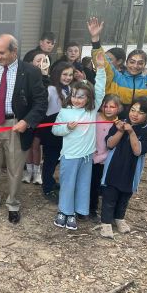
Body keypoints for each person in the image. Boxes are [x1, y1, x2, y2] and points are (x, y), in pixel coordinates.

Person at [0, 34, 48, 224]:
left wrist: (27, 121)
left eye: (2, 53)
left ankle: (13, 204)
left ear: (14, 51)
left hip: (17, 124)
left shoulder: (31, 71)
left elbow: (41, 102)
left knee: (15, 167)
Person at [51, 52, 106, 231]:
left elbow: (100, 89)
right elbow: (55, 129)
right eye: (75, 95)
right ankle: (63, 211)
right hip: (69, 156)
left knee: (82, 184)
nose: (77, 99)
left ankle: (74, 212)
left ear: (89, 99)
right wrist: (68, 128)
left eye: (82, 97)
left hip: (86, 157)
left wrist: (101, 68)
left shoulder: (91, 111)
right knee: (67, 184)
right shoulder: (65, 111)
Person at [99, 97, 147, 238]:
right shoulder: (119, 124)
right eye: (132, 110)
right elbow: (110, 144)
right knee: (109, 196)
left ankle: (119, 218)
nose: (134, 114)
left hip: (131, 171)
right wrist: (120, 131)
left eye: (140, 112)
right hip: (114, 167)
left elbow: (137, 151)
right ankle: (105, 223)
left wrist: (131, 132)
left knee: (124, 196)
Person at [39, 62, 75, 203]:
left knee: (59, 158)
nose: (68, 77)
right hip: (51, 129)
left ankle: (52, 181)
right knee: (50, 159)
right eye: (64, 74)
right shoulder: (51, 89)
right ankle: (47, 187)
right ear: (57, 74)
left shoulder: (71, 89)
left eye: (70, 75)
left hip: (66, 128)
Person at [89, 94, 122, 223]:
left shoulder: (118, 124)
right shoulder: (95, 118)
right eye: (105, 106)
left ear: (118, 108)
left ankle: (107, 212)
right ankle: (91, 209)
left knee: (104, 188)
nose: (108, 109)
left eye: (112, 106)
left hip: (107, 161)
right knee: (92, 185)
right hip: (92, 159)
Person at [22, 52, 50, 185]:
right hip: (26, 116)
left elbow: (44, 96)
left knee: (36, 145)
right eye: (38, 60)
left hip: (40, 117)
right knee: (27, 145)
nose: (41, 63)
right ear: (31, 62)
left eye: (44, 61)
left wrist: (45, 75)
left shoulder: (48, 78)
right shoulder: (26, 75)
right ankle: (28, 171)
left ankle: (37, 173)